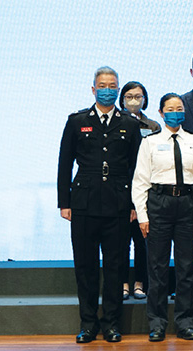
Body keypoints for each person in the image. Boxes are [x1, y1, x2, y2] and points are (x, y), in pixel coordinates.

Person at [57, 67, 141, 343]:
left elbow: (136, 168)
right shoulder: (77, 120)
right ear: (93, 89)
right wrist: (64, 202)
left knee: (116, 266)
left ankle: (112, 324)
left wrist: (134, 205)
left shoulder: (129, 123)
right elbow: (64, 164)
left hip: (119, 203)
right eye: (102, 85)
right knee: (86, 266)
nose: (107, 89)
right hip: (84, 203)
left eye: (112, 85)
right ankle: (88, 324)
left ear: (117, 89)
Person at [132, 93, 193, 342]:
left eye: (179, 108)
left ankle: (185, 322)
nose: (175, 112)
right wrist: (143, 215)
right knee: (157, 267)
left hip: (187, 204)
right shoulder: (150, 142)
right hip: (159, 204)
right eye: (170, 109)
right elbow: (140, 181)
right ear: (161, 113)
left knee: (186, 267)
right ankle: (157, 322)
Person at [119, 81, 159, 301]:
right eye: (129, 96)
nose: (134, 100)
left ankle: (140, 283)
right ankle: (123, 283)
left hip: (148, 194)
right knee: (121, 242)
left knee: (143, 243)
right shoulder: (117, 123)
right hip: (122, 193)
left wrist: (140, 203)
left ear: (145, 99)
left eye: (138, 96)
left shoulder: (153, 126)